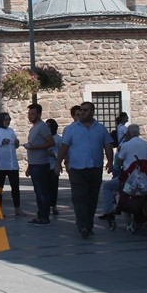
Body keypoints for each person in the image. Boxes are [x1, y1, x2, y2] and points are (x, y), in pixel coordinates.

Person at [56, 101, 114, 239]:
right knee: (80, 198)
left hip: (95, 168)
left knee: (92, 198)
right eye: (81, 110)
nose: (82, 112)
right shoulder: (71, 129)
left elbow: (107, 145)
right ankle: (82, 226)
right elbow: (64, 147)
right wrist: (58, 163)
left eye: (85, 110)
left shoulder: (100, 129)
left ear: (92, 112)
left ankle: (89, 224)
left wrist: (110, 161)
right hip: (77, 169)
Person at [98, 124, 147, 221]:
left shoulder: (126, 145)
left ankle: (108, 211)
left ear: (129, 133)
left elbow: (118, 163)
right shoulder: (146, 144)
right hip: (144, 178)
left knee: (107, 186)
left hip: (129, 179)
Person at [0, 112, 25, 216]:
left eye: (9, 119)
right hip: (0, 164)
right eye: (6, 119)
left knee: (15, 187)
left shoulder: (11, 131)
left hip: (12, 164)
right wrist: (1, 143)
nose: (8, 121)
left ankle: (17, 208)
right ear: (0, 120)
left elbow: (13, 146)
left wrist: (16, 144)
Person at [24, 103, 55, 226]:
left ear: (39, 114)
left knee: (42, 192)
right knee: (38, 192)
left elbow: (51, 142)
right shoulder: (34, 127)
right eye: (29, 114)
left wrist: (35, 147)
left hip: (41, 164)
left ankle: (44, 217)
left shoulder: (42, 127)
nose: (30, 116)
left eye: (32, 114)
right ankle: (40, 215)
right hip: (34, 163)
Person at [46, 118, 62, 216]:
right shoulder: (44, 138)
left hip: (53, 165)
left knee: (53, 187)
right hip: (44, 165)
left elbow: (62, 153)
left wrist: (54, 154)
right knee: (44, 187)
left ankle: (54, 205)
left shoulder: (59, 139)